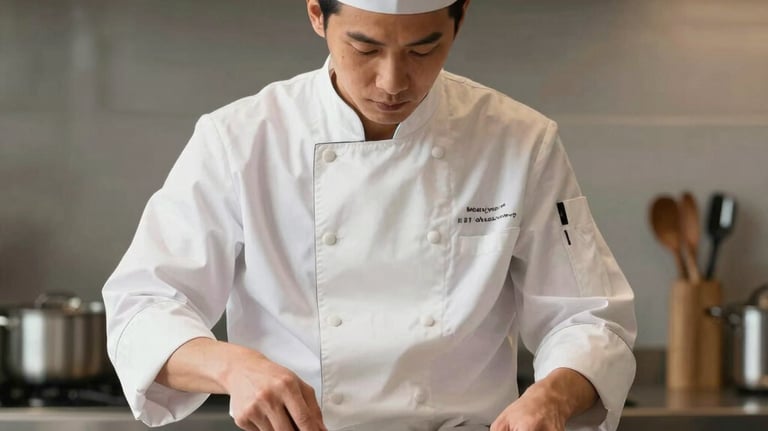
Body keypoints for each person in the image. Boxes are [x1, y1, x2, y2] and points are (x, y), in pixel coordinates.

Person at [102, 1, 637, 430]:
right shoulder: (240, 139)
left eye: (424, 49)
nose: (392, 81)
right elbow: (143, 307)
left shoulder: (520, 142)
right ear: (317, 14)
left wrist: (550, 399)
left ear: (462, 16)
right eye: (365, 47)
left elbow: (588, 315)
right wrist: (233, 367)